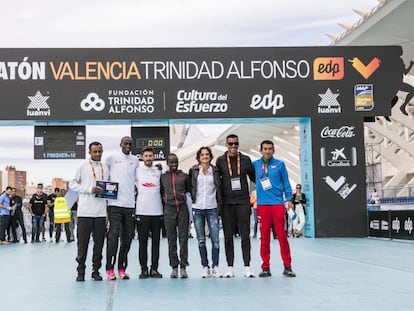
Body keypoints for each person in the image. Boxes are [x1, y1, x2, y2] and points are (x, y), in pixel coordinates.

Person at [252, 140, 296, 278]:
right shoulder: (255, 165)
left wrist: (289, 199)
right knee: (264, 238)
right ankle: (265, 267)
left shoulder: (280, 164)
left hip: (277, 204)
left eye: (270, 149)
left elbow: (286, 182)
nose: (267, 151)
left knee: (282, 236)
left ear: (273, 150)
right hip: (262, 205)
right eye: (265, 149)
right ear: (261, 151)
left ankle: (287, 267)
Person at [216, 134, 256, 278]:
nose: (233, 146)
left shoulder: (245, 160)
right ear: (226, 145)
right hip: (227, 204)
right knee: (228, 237)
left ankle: (247, 267)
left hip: (243, 203)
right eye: (231, 144)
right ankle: (230, 267)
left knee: (245, 235)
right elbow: (217, 183)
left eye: (236, 143)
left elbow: (254, 178)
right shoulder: (220, 161)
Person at [69, 141, 109, 282]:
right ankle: (81, 272)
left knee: (99, 245)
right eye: (95, 151)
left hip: (101, 213)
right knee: (83, 245)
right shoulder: (82, 166)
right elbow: (72, 184)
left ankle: (96, 271)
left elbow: (109, 186)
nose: (97, 154)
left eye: (100, 151)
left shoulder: (106, 167)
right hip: (85, 213)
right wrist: (88, 189)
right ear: (89, 152)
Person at [104, 136, 139, 281]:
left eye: (130, 144)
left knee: (128, 238)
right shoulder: (111, 158)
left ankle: (122, 268)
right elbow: (104, 177)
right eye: (125, 143)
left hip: (130, 205)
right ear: (120, 145)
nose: (128, 146)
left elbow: (138, 180)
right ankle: (109, 269)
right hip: (114, 205)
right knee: (113, 237)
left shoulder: (135, 160)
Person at [189, 146, 223, 278]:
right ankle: (205, 266)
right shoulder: (193, 171)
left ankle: (215, 267)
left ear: (210, 156)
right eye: (202, 155)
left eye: (207, 154)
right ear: (199, 157)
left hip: (212, 208)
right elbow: (190, 187)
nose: (205, 157)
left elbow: (219, 188)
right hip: (197, 208)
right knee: (201, 240)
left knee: (215, 240)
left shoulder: (215, 171)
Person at [160, 153, 191, 279]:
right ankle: (174, 267)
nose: (174, 165)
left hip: (182, 210)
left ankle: (183, 267)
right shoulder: (162, 177)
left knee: (183, 239)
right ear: (167, 163)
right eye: (171, 162)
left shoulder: (184, 176)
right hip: (169, 210)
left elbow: (189, 191)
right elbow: (161, 192)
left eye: (175, 162)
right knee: (171, 240)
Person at [135, 146, 163, 279]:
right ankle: (144, 269)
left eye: (150, 156)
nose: (148, 158)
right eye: (146, 156)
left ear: (154, 157)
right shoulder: (137, 171)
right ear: (142, 157)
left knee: (156, 243)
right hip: (142, 212)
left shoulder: (159, 171)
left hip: (157, 213)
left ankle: (154, 269)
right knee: (143, 243)